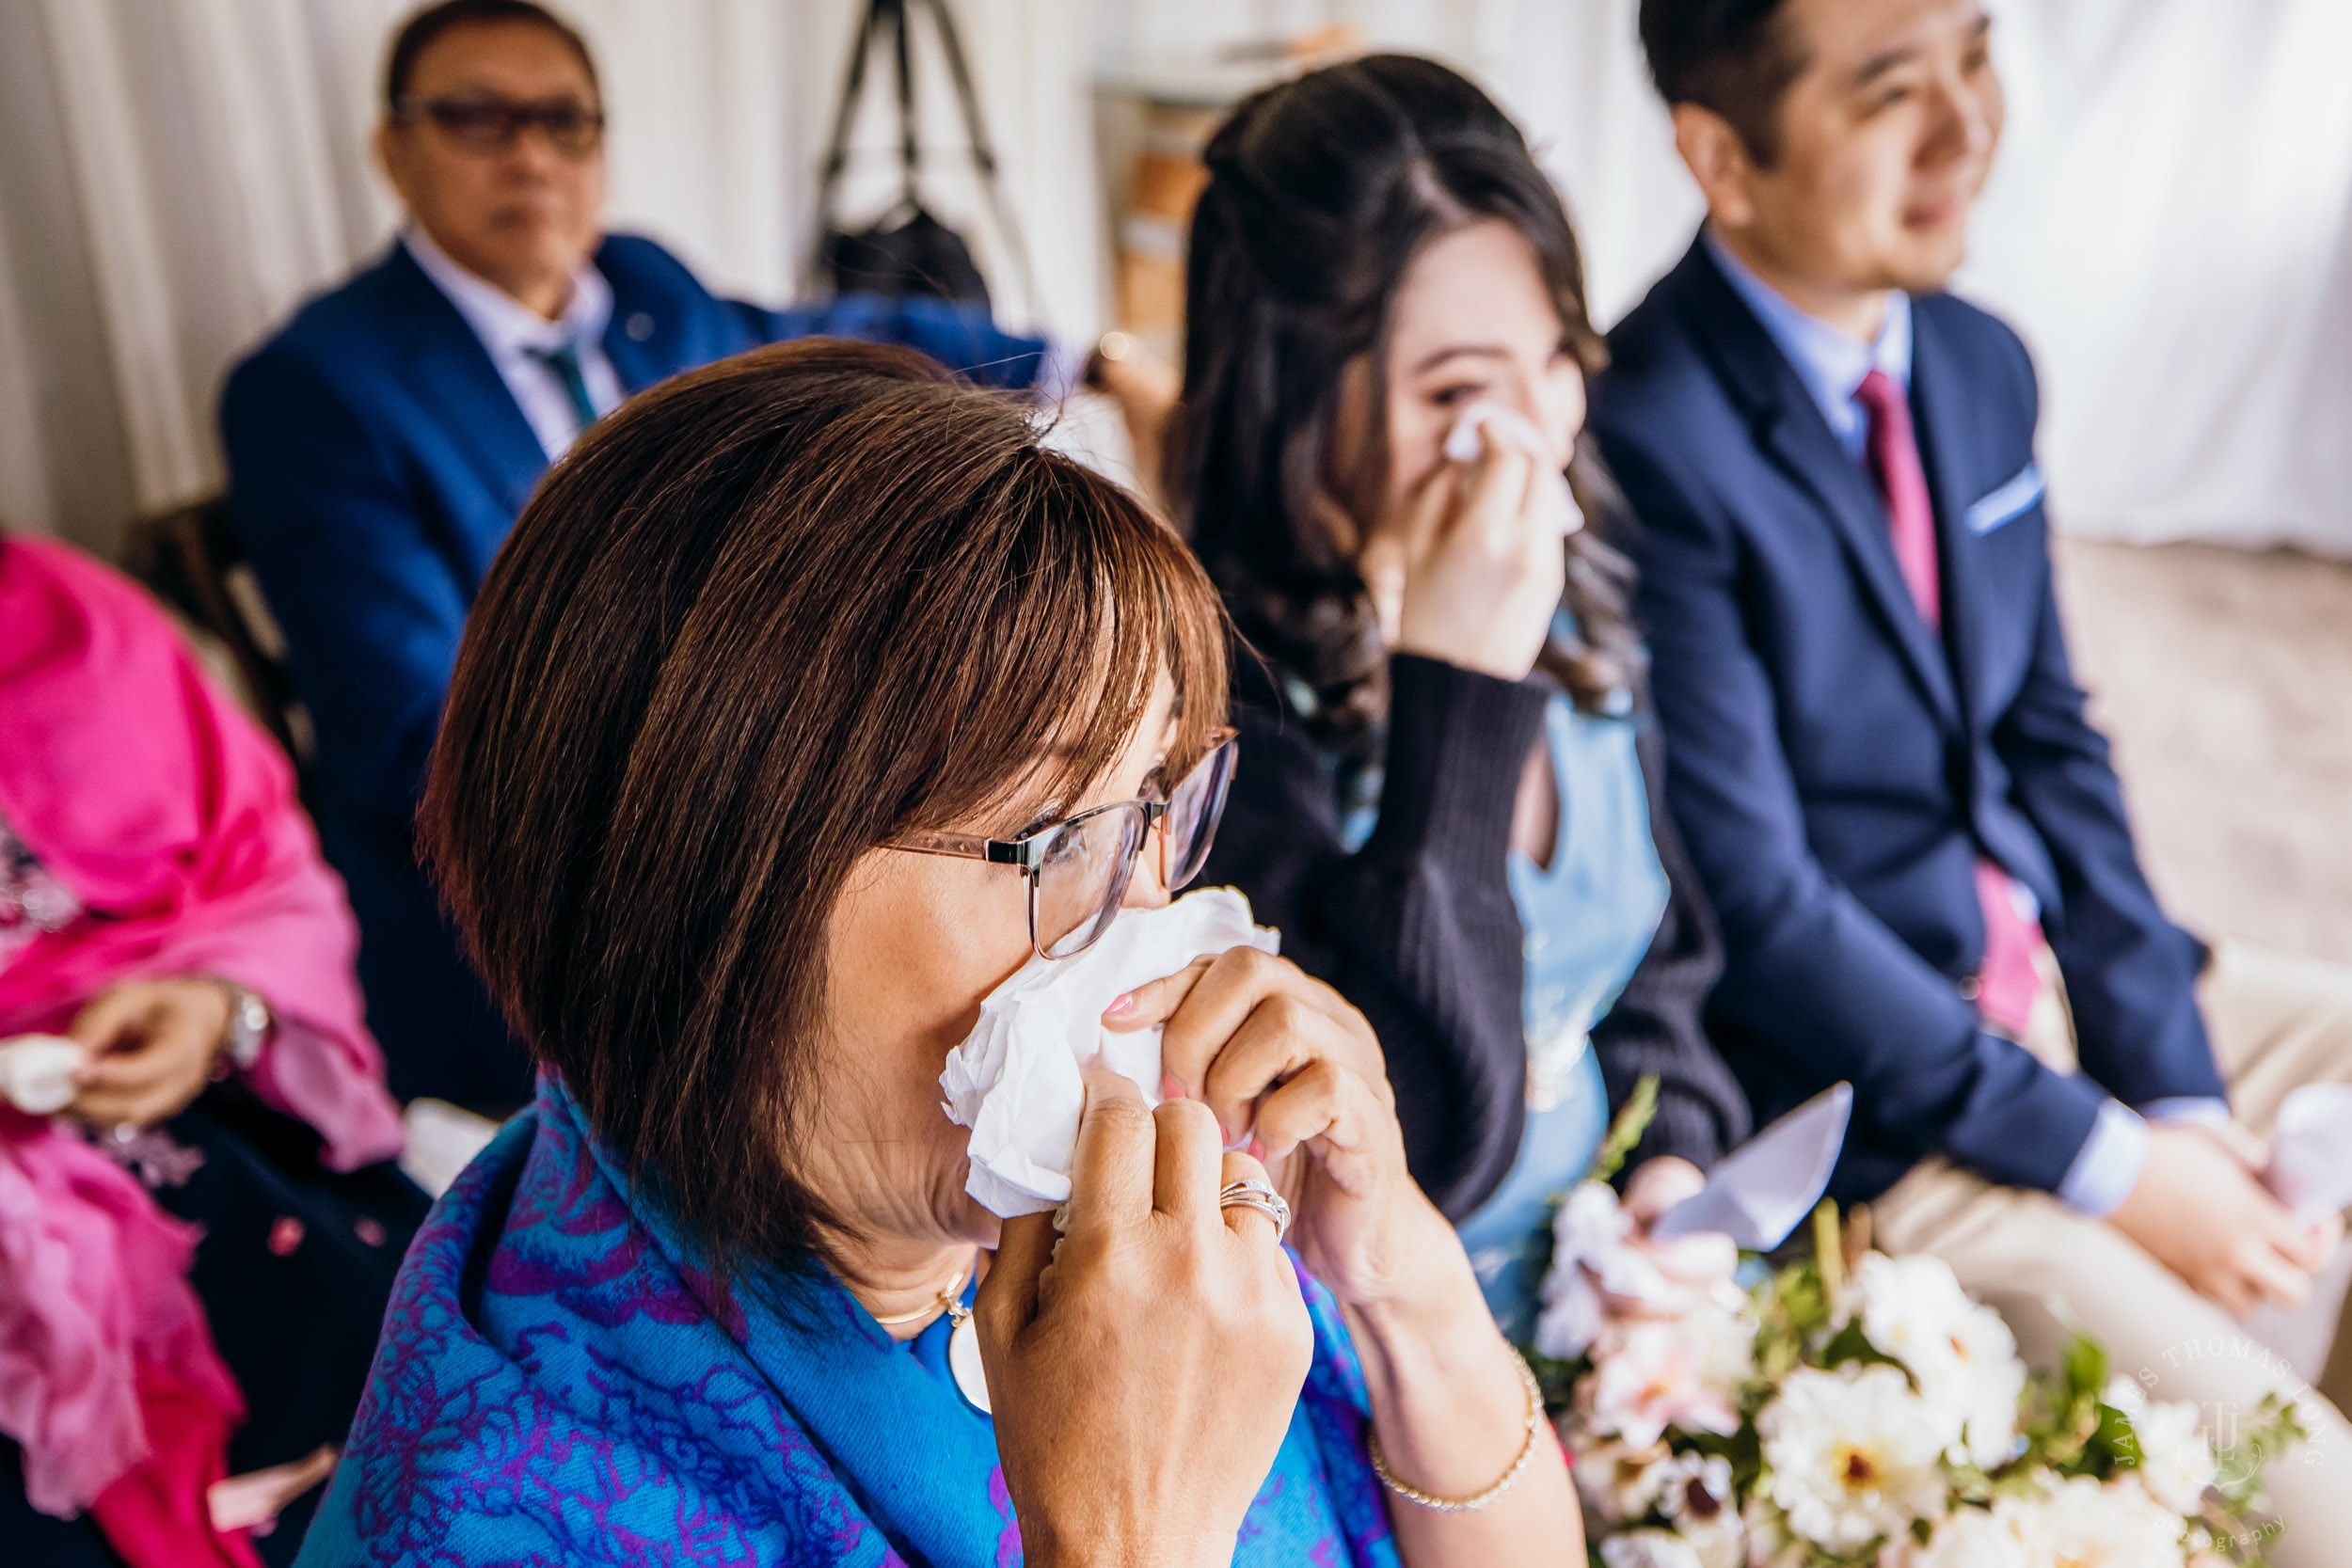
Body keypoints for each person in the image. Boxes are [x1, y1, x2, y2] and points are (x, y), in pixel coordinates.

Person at [294, 340, 1581, 1565]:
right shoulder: (499, 1514)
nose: (1145, 915)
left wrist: (1400, 1280)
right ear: (704, 901)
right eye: (1050, 834)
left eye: (1158, 807)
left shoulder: (1119, 1204)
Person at [1591, 1, 2352, 1553]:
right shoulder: (1642, 430)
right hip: (1879, 1106)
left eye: (1975, 57)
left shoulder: (1978, 362)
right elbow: (1765, 911)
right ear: (1721, 159)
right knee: (2315, 1508)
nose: (1967, 127)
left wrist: (2176, 1086)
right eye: (1890, 92)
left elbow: (2051, 740)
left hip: (2036, 996)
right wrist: (2123, 1164)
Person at [219, 0, 1047, 1114]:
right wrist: (732, 788)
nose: (527, 154)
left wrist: (1078, 359)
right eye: (476, 118)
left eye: (564, 122)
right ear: (392, 150)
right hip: (535, 894)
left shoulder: (647, 290)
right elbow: (415, 737)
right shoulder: (316, 388)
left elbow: (816, 333)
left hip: (744, 778)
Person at [1166, 55, 1750, 1338]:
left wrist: (1677, 1167)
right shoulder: (1215, 720)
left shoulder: (1572, 589)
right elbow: (1406, 1134)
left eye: (1555, 357)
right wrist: (1460, 689)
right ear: (1290, 405)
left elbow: (1656, 974)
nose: (1538, 434)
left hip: (1632, 1289)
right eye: (1458, 393)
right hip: (1401, 1349)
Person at [0, 534, 426, 1567]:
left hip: (233, 1150)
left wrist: (216, 1006)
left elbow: (268, 881)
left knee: (433, 1388)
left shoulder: (68, 622)